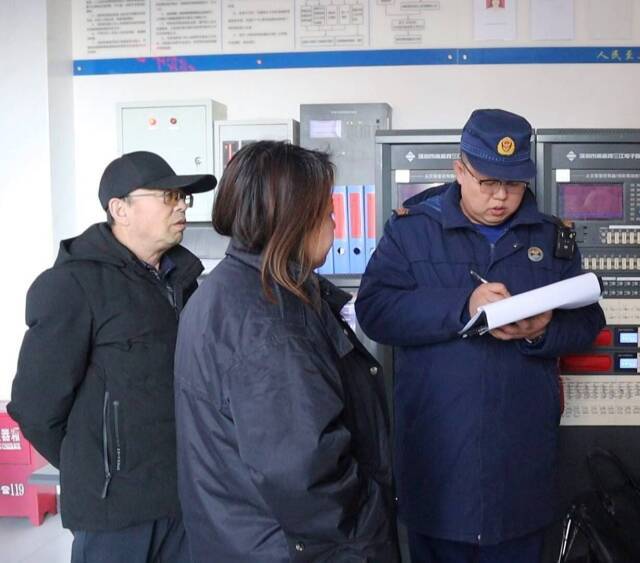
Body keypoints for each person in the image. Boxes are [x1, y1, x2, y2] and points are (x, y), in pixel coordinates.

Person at [356, 109, 605, 563]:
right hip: (439, 461)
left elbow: (588, 322)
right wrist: (463, 306)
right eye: (488, 182)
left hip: (520, 467)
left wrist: (542, 331)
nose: (501, 196)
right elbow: (375, 312)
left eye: (514, 184)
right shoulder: (413, 231)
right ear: (460, 170)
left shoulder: (550, 238)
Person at [173, 141, 399, 562]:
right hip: (294, 548)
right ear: (295, 220)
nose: (335, 226)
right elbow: (306, 475)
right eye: (327, 213)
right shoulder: (271, 326)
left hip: (239, 536)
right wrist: (372, 515)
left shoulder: (222, 290)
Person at [8, 151, 215, 563]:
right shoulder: (71, 285)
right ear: (120, 209)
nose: (181, 206)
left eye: (183, 197)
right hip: (114, 514)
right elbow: (35, 408)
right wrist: (97, 466)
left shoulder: (183, 282)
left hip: (183, 499)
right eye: (168, 196)